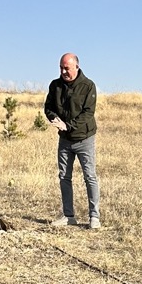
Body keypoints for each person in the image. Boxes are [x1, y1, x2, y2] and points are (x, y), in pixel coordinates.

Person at [43, 52, 100, 229]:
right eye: (61, 68)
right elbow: (48, 107)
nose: (63, 71)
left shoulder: (88, 86)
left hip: (84, 138)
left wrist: (68, 125)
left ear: (76, 66)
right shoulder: (55, 85)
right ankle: (69, 216)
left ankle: (94, 217)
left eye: (66, 68)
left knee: (89, 176)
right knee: (64, 177)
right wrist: (54, 120)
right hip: (65, 141)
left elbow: (88, 113)